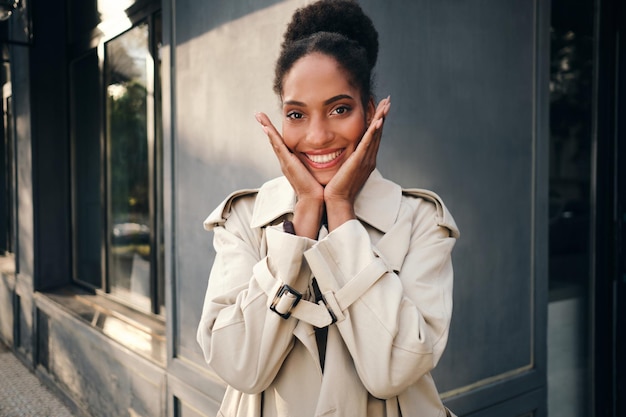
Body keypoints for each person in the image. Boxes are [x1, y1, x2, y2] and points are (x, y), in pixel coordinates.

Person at [197, 1, 459, 416]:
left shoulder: (421, 221)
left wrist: (339, 212)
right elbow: (240, 368)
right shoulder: (244, 219)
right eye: (297, 114)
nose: (317, 136)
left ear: (370, 113)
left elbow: (392, 370)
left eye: (339, 109)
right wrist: (301, 221)